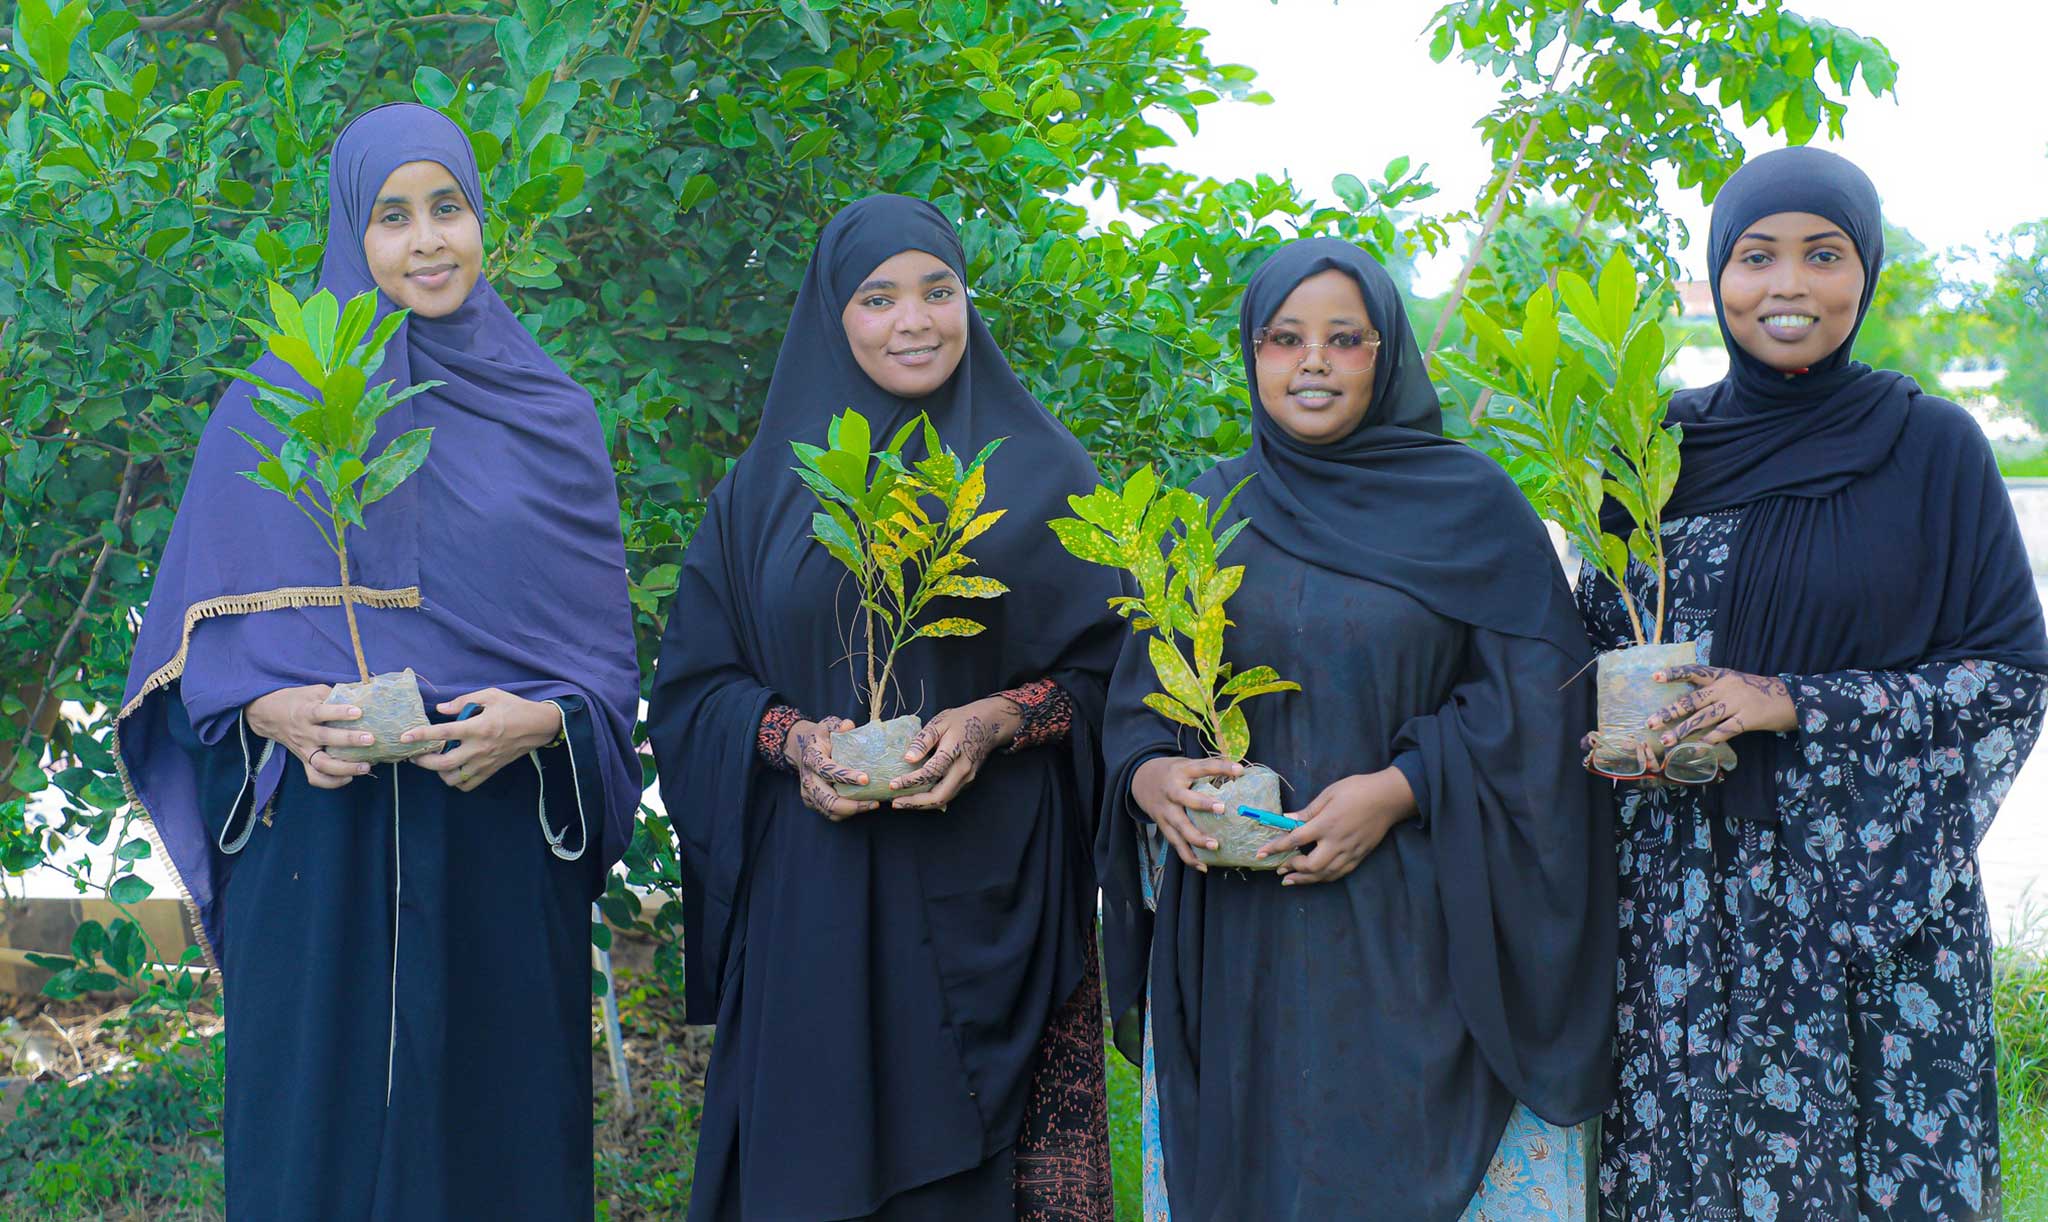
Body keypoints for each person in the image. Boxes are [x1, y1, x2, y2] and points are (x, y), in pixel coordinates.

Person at [116, 103, 641, 1220]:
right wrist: (275, 712)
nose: (426, 241)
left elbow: (599, 667)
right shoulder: (270, 413)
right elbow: (191, 659)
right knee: (320, 1139)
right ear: (352, 234)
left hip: (493, 825)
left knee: (493, 1137)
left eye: (447, 208)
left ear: (480, 221)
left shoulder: (553, 415)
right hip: (324, 840)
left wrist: (542, 725)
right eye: (393, 216)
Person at [1102, 236, 1615, 1221]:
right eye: (1283, 338)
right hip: (1249, 944)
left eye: (1344, 339)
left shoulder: (1472, 508)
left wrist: (1398, 789)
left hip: (1425, 931)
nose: (1311, 363)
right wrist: (1144, 779)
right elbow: (1138, 704)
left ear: (1384, 356)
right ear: (1250, 354)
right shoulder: (1204, 512)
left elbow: (1544, 706)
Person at [1580, 145, 2048, 1221]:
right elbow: (1596, 634)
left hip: (1869, 906)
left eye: (1821, 255)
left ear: (1864, 271)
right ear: (1716, 273)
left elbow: (2009, 677)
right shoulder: (1649, 450)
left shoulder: (1928, 446)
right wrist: (1608, 727)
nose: (1786, 284)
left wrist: (1799, 700)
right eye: (1755, 256)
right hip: (1682, 904)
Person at [647, 194, 1125, 1220]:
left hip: (999, 900)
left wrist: (997, 720)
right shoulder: (764, 493)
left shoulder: (1041, 474)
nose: (914, 320)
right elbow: (695, 686)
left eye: (937, 291)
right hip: (817, 907)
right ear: (832, 313)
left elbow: (1111, 679)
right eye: (878, 297)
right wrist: (793, 741)